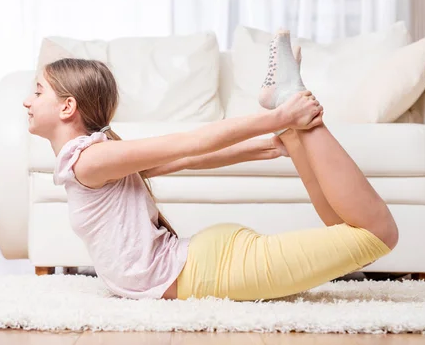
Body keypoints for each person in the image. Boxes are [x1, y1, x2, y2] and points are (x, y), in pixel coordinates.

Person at [22, 30, 398, 301]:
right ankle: (293, 124)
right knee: (346, 229)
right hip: (203, 264)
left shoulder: (92, 159)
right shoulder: (94, 160)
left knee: (378, 234)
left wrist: (275, 120)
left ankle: (290, 103)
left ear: (67, 107)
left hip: (209, 269)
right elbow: (188, 159)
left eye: (38, 92)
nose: (28, 101)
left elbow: (188, 144)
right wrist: (269, 143)